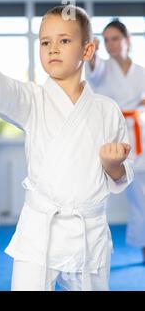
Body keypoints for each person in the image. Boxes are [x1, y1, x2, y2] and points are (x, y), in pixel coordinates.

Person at [0, 5, 133, 290]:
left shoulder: (107, 110)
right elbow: (4, 91)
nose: (53, 49)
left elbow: (122, 175)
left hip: (87, 231)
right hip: (40, 229)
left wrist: (112, 165)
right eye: (45, 42)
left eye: (64, 40)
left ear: (87, 51)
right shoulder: (32, 100)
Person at [85, 20, 145, 262]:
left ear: (127, 40)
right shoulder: (102, 67)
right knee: (97, 194)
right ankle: (91, 249)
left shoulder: (141, 71)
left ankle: (143, 244)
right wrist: (92, 53)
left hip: (139, 133)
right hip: (112, 135)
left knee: (141, 196)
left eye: (115, 38)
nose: (110, 44)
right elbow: (93, 68)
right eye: (106, 39)